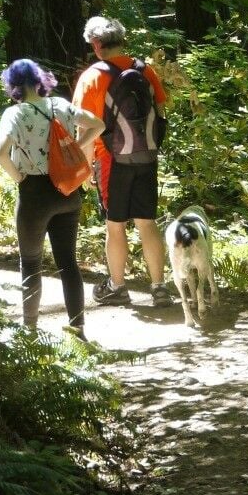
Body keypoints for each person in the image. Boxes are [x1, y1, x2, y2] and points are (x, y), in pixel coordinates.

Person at [0, 58, 104, 341]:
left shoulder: (15, 114)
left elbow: (0, 152)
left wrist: (19, 178)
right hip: (67, 191)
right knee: (68, 262)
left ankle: (29, 331)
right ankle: (77, 330)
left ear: (14, 85)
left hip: (34, 195)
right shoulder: (60, 105)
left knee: (30, 262)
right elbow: (98, 124)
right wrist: (75, 148)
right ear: (40, 80)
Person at [72, 16, 174, 308]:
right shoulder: (145, 70)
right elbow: (160, 110)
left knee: (115, 224)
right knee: (147, 221)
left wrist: (86, 167)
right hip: (147, 156)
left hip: (111, 160)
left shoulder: (93, 76)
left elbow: (86, 129)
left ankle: (117, 287)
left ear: (95, 43)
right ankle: (159, 288)